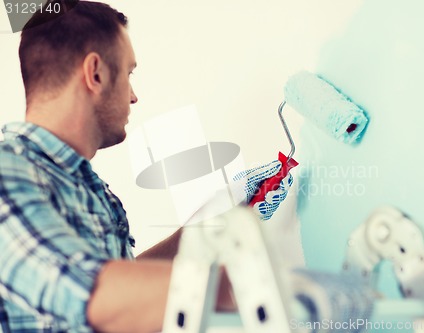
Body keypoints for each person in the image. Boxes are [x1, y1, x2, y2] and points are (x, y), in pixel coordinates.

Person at [0, 1, 293, 332]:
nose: (134, 96)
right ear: (95, 73)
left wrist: (210, 224)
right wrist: (262, 289)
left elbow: (122, 282)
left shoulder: (86, 185)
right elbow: (94, 296)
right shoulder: (6, 173)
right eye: (128, 73)